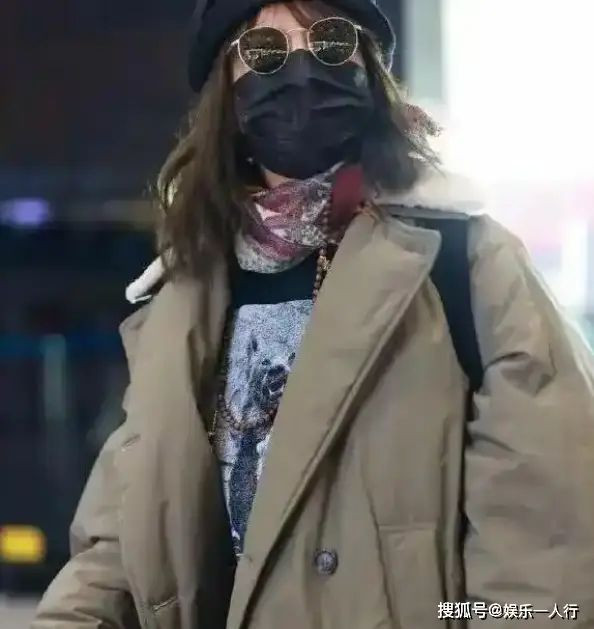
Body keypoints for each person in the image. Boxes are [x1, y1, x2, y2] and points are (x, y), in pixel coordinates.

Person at [33, 1, 594, 628]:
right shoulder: (179, 299)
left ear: (370, 71)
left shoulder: (465, 262)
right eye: (265, 52)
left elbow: (543, 552)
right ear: (226, 97)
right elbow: (118, 549)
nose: (301, 68)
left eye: (330, 41)